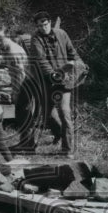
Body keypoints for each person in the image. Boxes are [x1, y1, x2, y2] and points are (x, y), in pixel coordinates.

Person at [29, 11, 77, 155]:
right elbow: (41, 61)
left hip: (64, 81)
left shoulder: (62, 34)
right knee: (47, 114)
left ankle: (67, 150)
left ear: (49, 22)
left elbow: (72, 53)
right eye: (39, 26)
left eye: (44, 24)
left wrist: (76, 64)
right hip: (46, 80)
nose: (43, 28)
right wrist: (53, 74)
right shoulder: (35, 38)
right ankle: (58, 134)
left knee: (64, 112)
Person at [0, 25, 28, 100]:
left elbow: (21, 74)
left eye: (1, 39)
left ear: (7, 37)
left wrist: (18, 93)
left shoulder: (13, 51)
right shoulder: (7, 50)